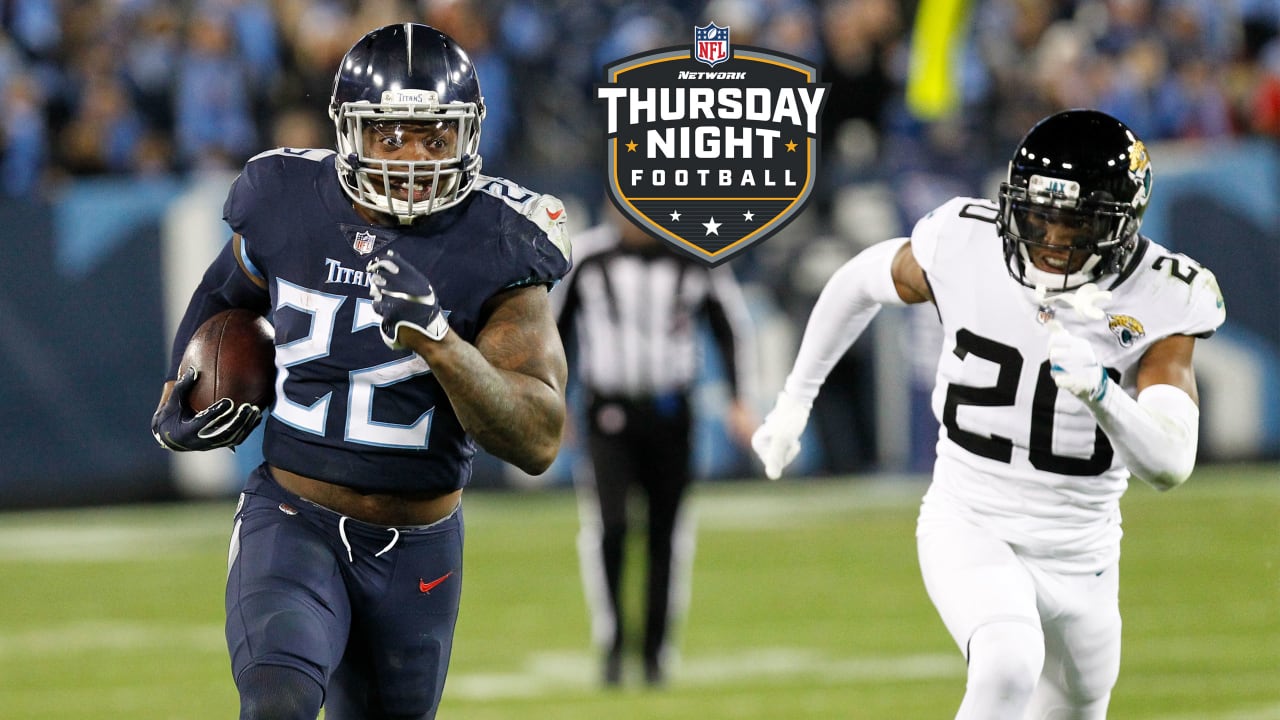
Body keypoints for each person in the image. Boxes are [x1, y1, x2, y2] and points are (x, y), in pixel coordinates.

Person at [150, 23, 571, 720]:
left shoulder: (501, 242)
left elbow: (537, 437)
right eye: (389, 135)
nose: (411, 158)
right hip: (292, 518)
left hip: (418, 548)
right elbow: (227, 292)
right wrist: (177, 387)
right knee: (276, 698)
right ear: (349, 131)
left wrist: (440, 342)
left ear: (468, 138)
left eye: (434, 139)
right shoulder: (284, 198)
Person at [752, 109, 1225, 719]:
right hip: (971, 519)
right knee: (1007, 661)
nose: (1051, 238)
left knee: (1079, 703)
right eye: (1038, 214)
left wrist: (1103, 395)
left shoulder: (1163, 296)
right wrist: (796, 399)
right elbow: (860, 279)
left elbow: (1171, 463)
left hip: (1085, 554)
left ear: (1122, 223)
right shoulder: (965, 243)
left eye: (1074, 222)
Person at [553, 206, 756, 687]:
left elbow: (728, 325)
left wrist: (739, 400)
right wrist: (554, 400)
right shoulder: (588, 257)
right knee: (612, 525)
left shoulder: (696, 253)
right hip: (608, 412)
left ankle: (655, 654)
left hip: (670, 412)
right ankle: (613, 642)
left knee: (667, 533)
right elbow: (554, 330)